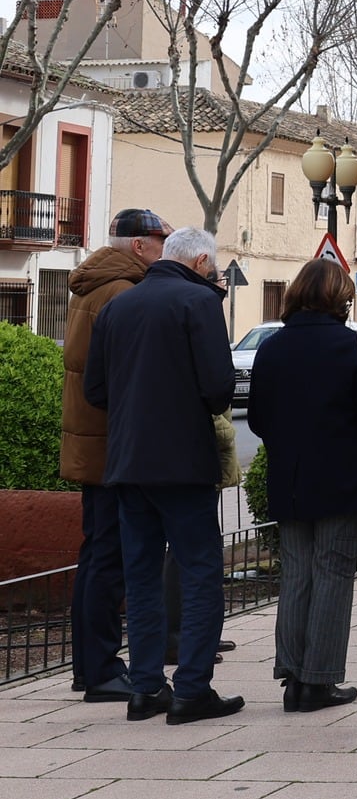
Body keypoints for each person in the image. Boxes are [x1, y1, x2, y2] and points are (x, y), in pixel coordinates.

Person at [84, 225, 241, 723]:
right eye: (211, 268)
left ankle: (147, 688)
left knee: (141, 577)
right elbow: (219, 388)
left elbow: (95, 390)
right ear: (198, 263)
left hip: (128, 463)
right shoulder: (199, 305)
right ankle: (192, 688)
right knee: (199, 573)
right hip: (184, 464)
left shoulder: (117, 307)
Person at [247, 259, 357, 712]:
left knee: (295, 572)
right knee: (333, 571)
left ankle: (291, 674)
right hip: (340, 478)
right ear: (338, 299)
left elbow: (256, 419)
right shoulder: (354, 346)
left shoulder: (272, 348)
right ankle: (319, 681)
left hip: (288, 479)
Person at [61, 206, 170, 702]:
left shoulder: (95, 283)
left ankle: (90, 666)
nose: (165, 252)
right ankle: (102, 669)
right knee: (109, 558)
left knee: (96, 555)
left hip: (93, 440)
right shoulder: (123, 292)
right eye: (161, 243)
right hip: (110, 443)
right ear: (141, 246)